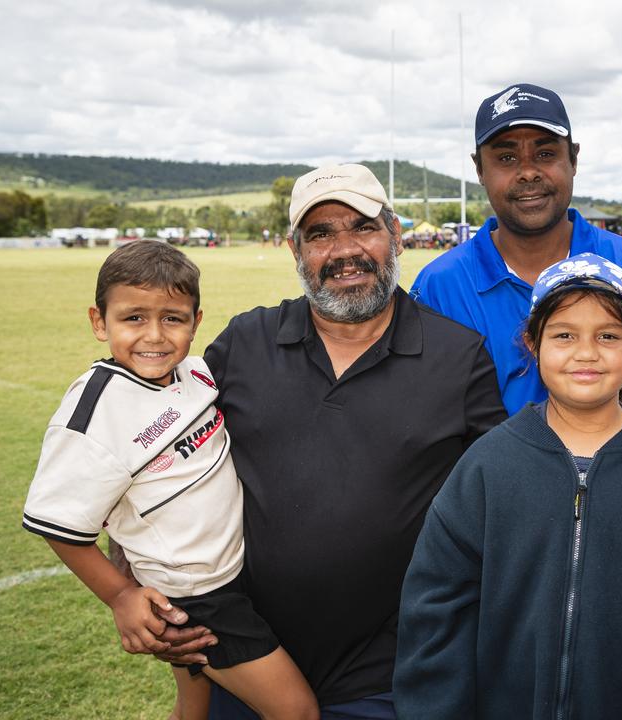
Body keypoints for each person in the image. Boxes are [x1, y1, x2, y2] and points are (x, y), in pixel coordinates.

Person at [157, 164, 506, 718]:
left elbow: (499, 507)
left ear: (394, 233)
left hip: (393, 674)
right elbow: (157, 461)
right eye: (320, 234)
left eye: (363, 227)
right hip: (247, 657)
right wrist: (140, 584)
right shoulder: (246, 342)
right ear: (296, 250)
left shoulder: (458, 358)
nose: (345, 250)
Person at [394, 253, 622, 718]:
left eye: (608, 335)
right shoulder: (487, 467)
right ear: (532, 342)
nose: (586, 353)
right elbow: (435, 615)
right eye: (564, 335)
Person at [22, 240, 317, 720]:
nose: (154, 336)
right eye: (133, 318)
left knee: (194, 708)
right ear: (100, 321)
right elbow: (58, 526)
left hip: (237, 571)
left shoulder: (198, 375)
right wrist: (121, 596)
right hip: (195, 596)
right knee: (296, 710)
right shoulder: (95, 412)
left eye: (173, 318)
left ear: (196, 322)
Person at [409, 83, 622, 415]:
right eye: (506, 157)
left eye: (545, 154)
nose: (528, 172)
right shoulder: (440, 286)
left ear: (573, 158)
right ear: (479, 169)